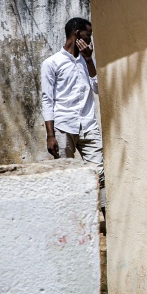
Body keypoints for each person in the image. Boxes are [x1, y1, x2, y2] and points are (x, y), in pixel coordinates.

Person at [41, 17, 104, 205]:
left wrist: (90, 60)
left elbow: (99, 88)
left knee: (99, 174)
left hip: (88, 126)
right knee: (66, 177)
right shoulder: (52, 63)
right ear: (77, 34)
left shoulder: (87, 61)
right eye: (88, 34)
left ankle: (108, 224)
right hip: (63, 127)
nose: (91, 39)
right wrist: (50, 135)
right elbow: (47, 100)